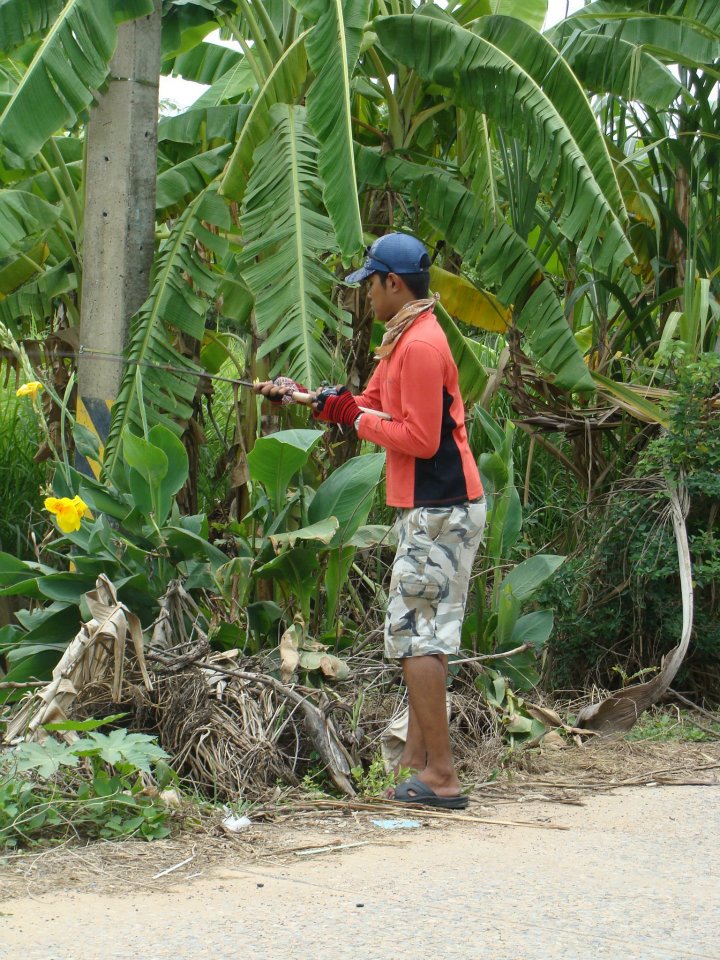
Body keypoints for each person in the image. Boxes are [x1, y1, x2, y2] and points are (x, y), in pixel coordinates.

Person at [256, 233, 486, 809]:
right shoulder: (403, 338)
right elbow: (369, 405)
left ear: (393, 283)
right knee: (416, 634)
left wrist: (352, 419)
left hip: (441, 507)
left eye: (370, 285)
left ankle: (441, 776)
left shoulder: (422, 346)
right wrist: (307, 398)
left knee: (418, 639)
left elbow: (417, 435)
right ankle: (415, 762)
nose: (366, 298)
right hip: (432, 506)